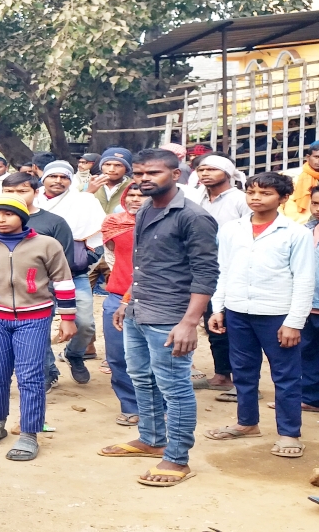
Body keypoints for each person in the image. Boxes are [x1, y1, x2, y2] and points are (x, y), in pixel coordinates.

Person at [100, 149, 218, 487]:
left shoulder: (192, 216)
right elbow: (143, 266)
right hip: (139, 308)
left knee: (174, 386)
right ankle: (152, 440)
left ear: (176, 175)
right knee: (141, 376)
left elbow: (206, 272)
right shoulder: (144, 212)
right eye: (138, 174)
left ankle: (177, 459)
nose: (143, 180)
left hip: (170, 316)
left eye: (153, 173)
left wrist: (189, 322)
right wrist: (126, 300)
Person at [203, 172, 313, 458]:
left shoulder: (295, 233)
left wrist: (293, 322)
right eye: (251, 192)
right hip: (238, 311)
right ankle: (247, 422)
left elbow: (303, 280)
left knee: (286, 375)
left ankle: (289, 433)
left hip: (277, 314)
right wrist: (219, 308)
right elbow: (224, 270)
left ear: (283, 198)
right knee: (243, 370)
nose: (255, 198)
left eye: (265, 193)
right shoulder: (231, 230)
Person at [0, 195, 77, 462]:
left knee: (30, 374)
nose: (1, 219)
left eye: (8, 214)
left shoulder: (46, 244)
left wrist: (67, 317)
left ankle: (29, 433)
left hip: (34, 317)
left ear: (22, 217)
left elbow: (62, 280)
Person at [35, 160, 105, 384]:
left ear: (71, 179)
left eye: (64, 177)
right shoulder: (31, 199)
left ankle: (74, 354)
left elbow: (98, 236)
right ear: (43, 177)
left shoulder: (84, 200)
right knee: (39, 327)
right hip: (36, 275)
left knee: (84, 324)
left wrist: (85, 261)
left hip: (74, 273)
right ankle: (49, 372)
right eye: (53, 176)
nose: (58, 181)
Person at [194, 153, 251, 396]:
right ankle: (221, 375)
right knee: (213, 323)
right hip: (204, 267)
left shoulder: (240, 199)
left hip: (233, 267)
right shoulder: (198, 198)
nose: (204, 173)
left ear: (227, 173)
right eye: (201, 169)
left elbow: (250, 231)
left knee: (234, 325)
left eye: (211, 169)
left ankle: (245, 382)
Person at [99, 183, 146, 426]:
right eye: (132, 195)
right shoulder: (114, 223)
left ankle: (158, 406)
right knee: (117, 356)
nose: (135, 200)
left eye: (142, 195)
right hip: (117, 295)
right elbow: (112, 258)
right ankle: (130, 406)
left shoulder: (166, 225)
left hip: (154, 297)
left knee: (153, 356)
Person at [301, 185, 319, 415]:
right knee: (308, 353)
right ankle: (311, 398)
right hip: (309, 305)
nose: (318, 209)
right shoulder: (305, 231)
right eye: (315, 203)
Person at [282, 142, 319, 223]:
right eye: (316, 157)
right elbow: (278, 203)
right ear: (308, 157)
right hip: (292, 225)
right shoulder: (290, 175)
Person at [90, 148, 133, 214]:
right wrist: (88, 192)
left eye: (118, 165)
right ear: (101, 167)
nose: (111, 169)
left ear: (126, 169)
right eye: (107, 164)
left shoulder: (134, 188)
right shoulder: (84, 187)